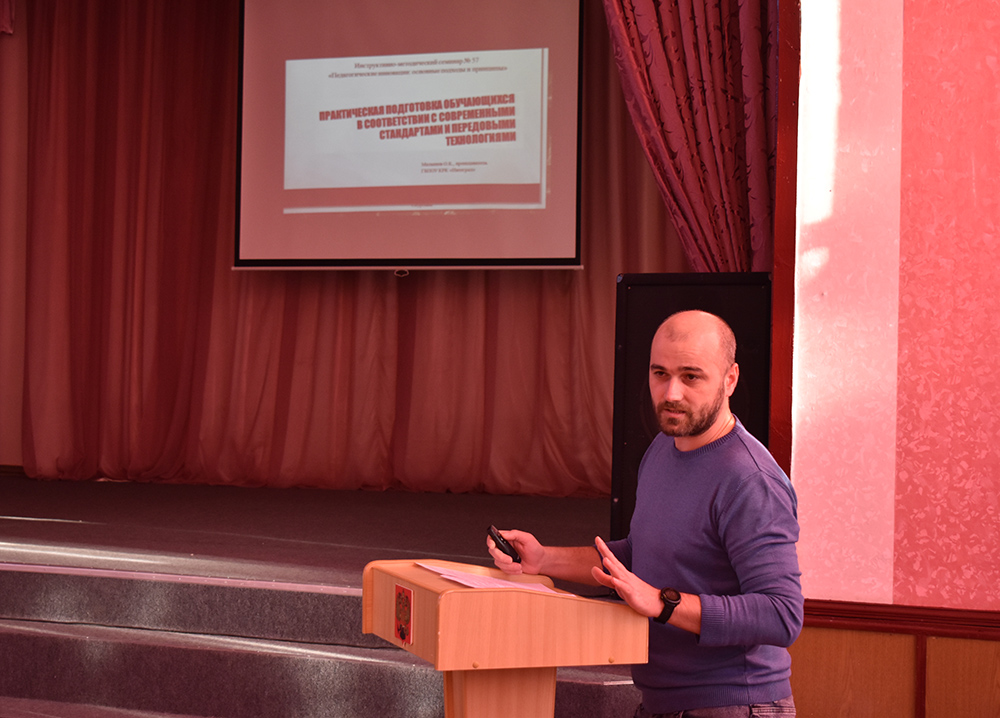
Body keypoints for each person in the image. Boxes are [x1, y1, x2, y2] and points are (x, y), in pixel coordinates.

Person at [487, 310, 803, 717]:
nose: (671, 393)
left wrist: (662, 602)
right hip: (662, 701)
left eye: (691, 376)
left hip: (735, 704)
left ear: (730, 379)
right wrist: (544, 559)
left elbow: (781, 615)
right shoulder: (662, 450)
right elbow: (642, 556)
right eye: (660, 374)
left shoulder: (750, 480)